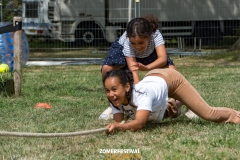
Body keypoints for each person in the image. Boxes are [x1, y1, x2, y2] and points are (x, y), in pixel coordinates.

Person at [99, 15, 197, 120]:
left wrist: (147, 67)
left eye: (141, 42)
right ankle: (114, 107)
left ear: (149, 37)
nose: (137, 46)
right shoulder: (127, 41)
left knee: (173, 72)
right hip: (125, 53)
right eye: (134, 43)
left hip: (150, 52)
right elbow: (134, 71)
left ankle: (185, 104)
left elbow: (162, 59)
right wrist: (139, 99)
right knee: (106, 69)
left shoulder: (155, 35)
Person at [103, 69, 240, 133]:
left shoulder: (142, 95)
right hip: (154, 79)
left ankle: (235, 115)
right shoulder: (115, 99)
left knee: (208, 114)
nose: (111, 94)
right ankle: (177, 102)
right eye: (107, 90)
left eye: (114, 89)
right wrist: (116, 126)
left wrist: (119, 126)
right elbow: (119, 122)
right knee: (155, 114)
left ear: (127, 87)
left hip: (172, 79)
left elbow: (139, 123)